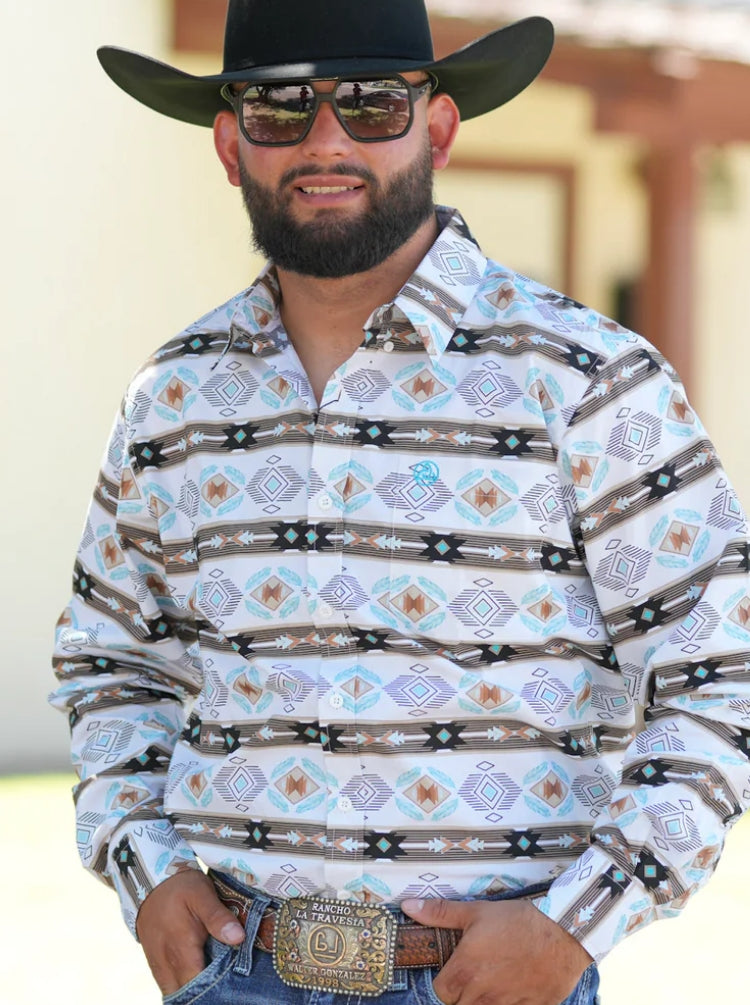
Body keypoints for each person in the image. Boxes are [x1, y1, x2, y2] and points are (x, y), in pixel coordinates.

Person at [51, 2, 750, 1004]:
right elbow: (111, 666)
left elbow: (722, 674)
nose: (326, 140)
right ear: (228, 143)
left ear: (438, 129)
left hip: (492, 982)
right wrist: (145, 870)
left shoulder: (589, 382)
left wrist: (573, 925)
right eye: (280, 107)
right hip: (236, 974)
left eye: (373, 104)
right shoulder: (177, 397)